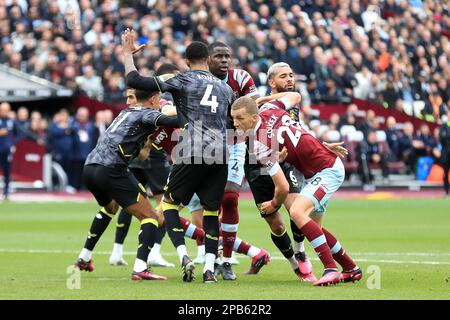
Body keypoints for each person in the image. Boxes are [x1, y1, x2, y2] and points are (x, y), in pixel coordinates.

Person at [124, 30, 234, 283]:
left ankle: (183, 255)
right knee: (211, 212)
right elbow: (232, 124)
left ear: (185, 61)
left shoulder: (181, 80)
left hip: (191, 151)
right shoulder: (226, 89)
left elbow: (135, 81)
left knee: (170, 205)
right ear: (208, 60)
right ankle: (209, 270)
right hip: (220, 154)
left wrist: (127, 55)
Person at [230, 95, 361, 286]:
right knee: (313, 228)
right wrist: (261, 101)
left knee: (297, 212)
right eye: (233, 118)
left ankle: (330, 269)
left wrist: (274, 204)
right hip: (320, 167)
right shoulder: (271, 107)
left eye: (240, 118)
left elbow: (282, 187)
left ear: (254, 118)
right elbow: (295, 96)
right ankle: (351, 268)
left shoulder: (259, 145)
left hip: (327, 170)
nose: (235, 123)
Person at [74, 84, 179, 281]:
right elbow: (175, 119)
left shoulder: (126, 112)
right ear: (154, 99)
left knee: (111, 207)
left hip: (90, 167)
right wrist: (195, 111)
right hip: (112, 169)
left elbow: (135, 147)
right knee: (150, 217)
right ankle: (140, 268)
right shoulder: (148, 113)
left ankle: (84, 257)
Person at [207, 41, 268, 280]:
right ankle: (208, 256)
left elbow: (255, 109)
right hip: (205, 144)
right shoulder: (199, 79)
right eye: (219, 56)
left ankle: (226, 259)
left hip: (234, 141)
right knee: (206, 205)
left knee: (230, 198)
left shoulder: (241, 78)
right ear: (208, 59)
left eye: (227, 56)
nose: (224, 60)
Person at [108, 86, 174, 268]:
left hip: (135, 156)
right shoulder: (165, 98)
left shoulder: (141, 101)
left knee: (127, 203)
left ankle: (117, 251)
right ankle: (154, 252)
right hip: (155, 158)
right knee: (166, 205)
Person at [0, 102, 18, 200]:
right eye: (2, 110)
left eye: (6, 110)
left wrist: (12, 144)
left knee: (7, 172)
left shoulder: (12, 121)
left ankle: (6, 193)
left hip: (7, 151)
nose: (4, 112)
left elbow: (18, 134)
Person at [439, 110, 450, 197]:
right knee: (445, 173)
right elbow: (442, 138)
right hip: (446, 153)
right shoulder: (444, 126)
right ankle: (446, 191)